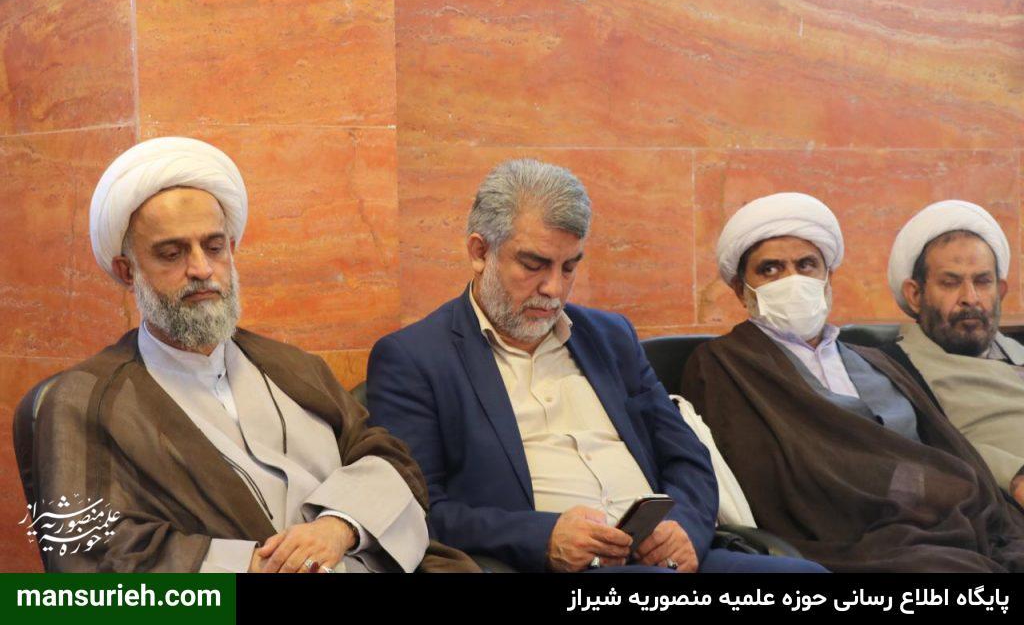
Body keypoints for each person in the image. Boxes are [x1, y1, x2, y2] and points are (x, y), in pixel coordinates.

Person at [22, 137, 474, 573]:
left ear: (232, 249)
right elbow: (88, 552)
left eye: (214, 247)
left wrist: (340, 526)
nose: (201, 269)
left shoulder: (293, 367)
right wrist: (257, 566)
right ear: (127, 271)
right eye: (172, 253)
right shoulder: (82, 401)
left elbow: (385, 457)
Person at [367, 159, 824, 573]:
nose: (554, 288)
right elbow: (418, 508)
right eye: (534, 264)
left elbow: (686, 457)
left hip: (665, 559)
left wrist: (684, 527)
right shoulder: (416, 358)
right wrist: (543, 538)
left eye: (569, 267)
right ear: (480, 252)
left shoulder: (610, 337)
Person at [681, 192, 1024, 572]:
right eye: (771, 269)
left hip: (949, 518)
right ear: (740, 289)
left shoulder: (875, 360)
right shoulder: (723, 364)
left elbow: (947, 448)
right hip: (857, 538)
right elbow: (767, 476)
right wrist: (906, 492)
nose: (793, 280)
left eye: (807, 265)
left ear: (828, 276)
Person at [884, 200, 1024, 507]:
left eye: (983, 282)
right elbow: (910, 455)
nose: (970, 298)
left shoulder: (1018, 350)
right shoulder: (893, 367)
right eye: (951, 283)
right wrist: (1014, 477)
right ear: (915, 294)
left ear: (1000, 291)